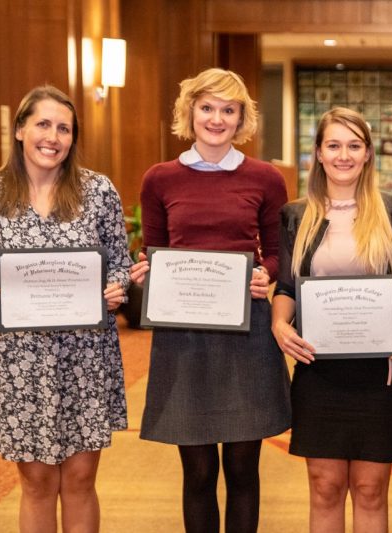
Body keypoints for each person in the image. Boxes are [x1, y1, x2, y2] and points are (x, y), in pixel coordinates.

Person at [0, 85, 131, 531]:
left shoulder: (98, 191)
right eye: (43, 124)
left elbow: (120, 264)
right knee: (35, 483)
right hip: (21, 361)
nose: (53, 137)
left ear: (73, 138)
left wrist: (116, 288)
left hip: (87, 357)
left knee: (80, 478)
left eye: (64, 128)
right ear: (19, 130)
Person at [129, 68, 291, 533]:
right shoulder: (159, 179)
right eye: (207, 108)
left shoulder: (265, 177)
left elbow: (278, 252)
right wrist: (145, 270)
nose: (216, 119)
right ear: (189, 112)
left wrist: (266, 276)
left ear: (241, 118)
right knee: (197, 472)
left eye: (228, 109)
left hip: (247, 334)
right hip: (184, 338)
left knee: (243, 470)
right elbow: (154, 251)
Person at [270, 106, 392, 532]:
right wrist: (279, 324)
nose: (344, 155)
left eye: (354, 146)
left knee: (371, 489)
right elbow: (286, 289)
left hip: (380, 372)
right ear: (317, 153)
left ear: (368, 154)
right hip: (318, 369)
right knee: (324, 485)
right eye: (333, 145)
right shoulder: (296, 216)